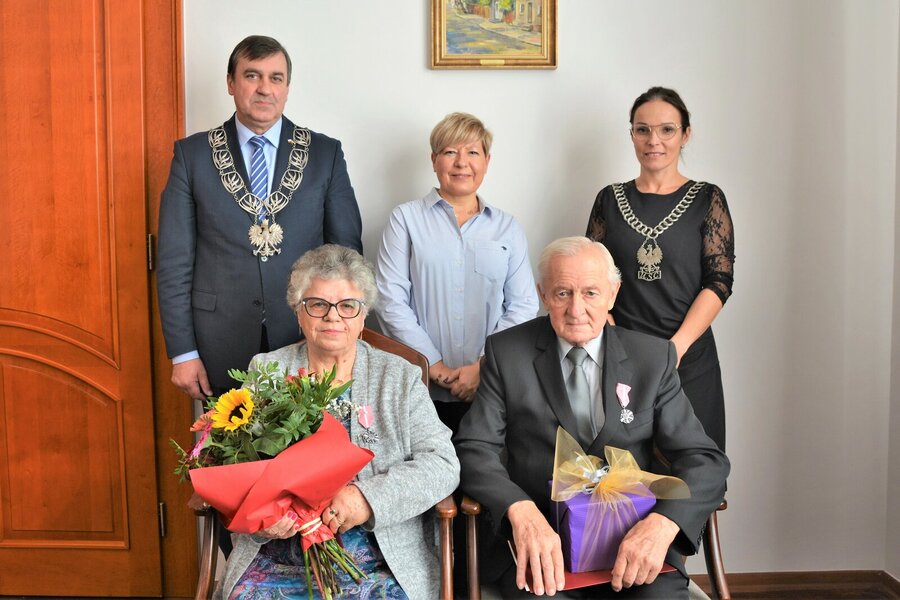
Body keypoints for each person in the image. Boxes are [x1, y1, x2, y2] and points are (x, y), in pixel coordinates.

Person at [455, 237, 729, 599]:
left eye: (591, 293)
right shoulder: (507, 353)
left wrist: (662, 525)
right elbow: (474, 447)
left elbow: (706, 461)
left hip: (632, 547)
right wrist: (519, 510)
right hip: (543, 549)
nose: (576, 309)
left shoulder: (652, 357)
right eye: (563, 293)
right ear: (543, 294)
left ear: (613, 294)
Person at [215, 245, 459, 600]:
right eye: (318, 304)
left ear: (363, 317)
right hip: (279, 556)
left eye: (348, 306)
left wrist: (366, 498)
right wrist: (266, 515)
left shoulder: (398, 378)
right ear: (300, 313)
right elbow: (236, 463)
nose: (333, 317)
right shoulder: (267, 371)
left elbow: (442, 463)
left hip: (377, 559)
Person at [158, 34, 362, 402]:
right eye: (252, 76)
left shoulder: (324, 154)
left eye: (276, 77)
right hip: (217, 342)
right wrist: (183, 352)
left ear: (287, 87)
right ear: (231, 83)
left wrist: (343, 338)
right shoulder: (192, 156)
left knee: (309, 457)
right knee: (233, 457)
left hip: (308, 340)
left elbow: (347, 257)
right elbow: (174, 262)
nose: (265, 88)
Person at [585, 86, 733, 451]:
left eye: (667, 129)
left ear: (686, 134)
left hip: (689, 358)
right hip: (621, 359)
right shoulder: (609, 199)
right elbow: (591, 279)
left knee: (695, 474)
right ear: (632, 134)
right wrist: (617, 345)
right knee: (621, 478)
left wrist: (675, 349)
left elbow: (720, 281)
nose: (654, 140)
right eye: (642, 129)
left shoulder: (707, 198)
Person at [375, 112, 538, 433]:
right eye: (450, 152)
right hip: (419, 387)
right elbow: (389, 299)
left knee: (485, 476)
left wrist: (482, 366)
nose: (462, 162)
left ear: (487, 161)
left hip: (491, 388)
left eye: (473, 152)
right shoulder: (405, 220)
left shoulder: (507, 227)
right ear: (434, 160)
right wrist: (433, 365)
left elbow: (523, 306)